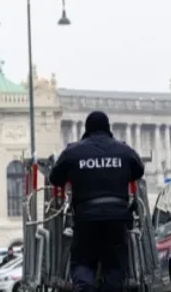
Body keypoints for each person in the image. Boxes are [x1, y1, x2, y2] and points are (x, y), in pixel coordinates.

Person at [48, 110, 145, 292]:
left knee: (83, 262)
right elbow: (139, 170)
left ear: (86, 129)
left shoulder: (74, 151)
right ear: (108, 129)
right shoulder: (123, 150)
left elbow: (55, 178)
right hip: (117, 219)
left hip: (86, 219)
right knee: (114, 266)